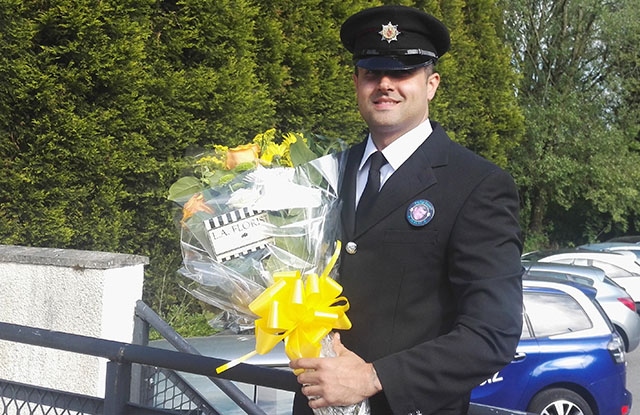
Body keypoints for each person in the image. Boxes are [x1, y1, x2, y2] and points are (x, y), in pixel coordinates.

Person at [290, 5, 524, 415]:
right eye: (372, 72)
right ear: (356, 82)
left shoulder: (477, 185)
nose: (385, 84)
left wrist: (372, 378)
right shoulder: (323, 174)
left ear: (431, 84)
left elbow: (493, 334)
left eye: (402, 72)